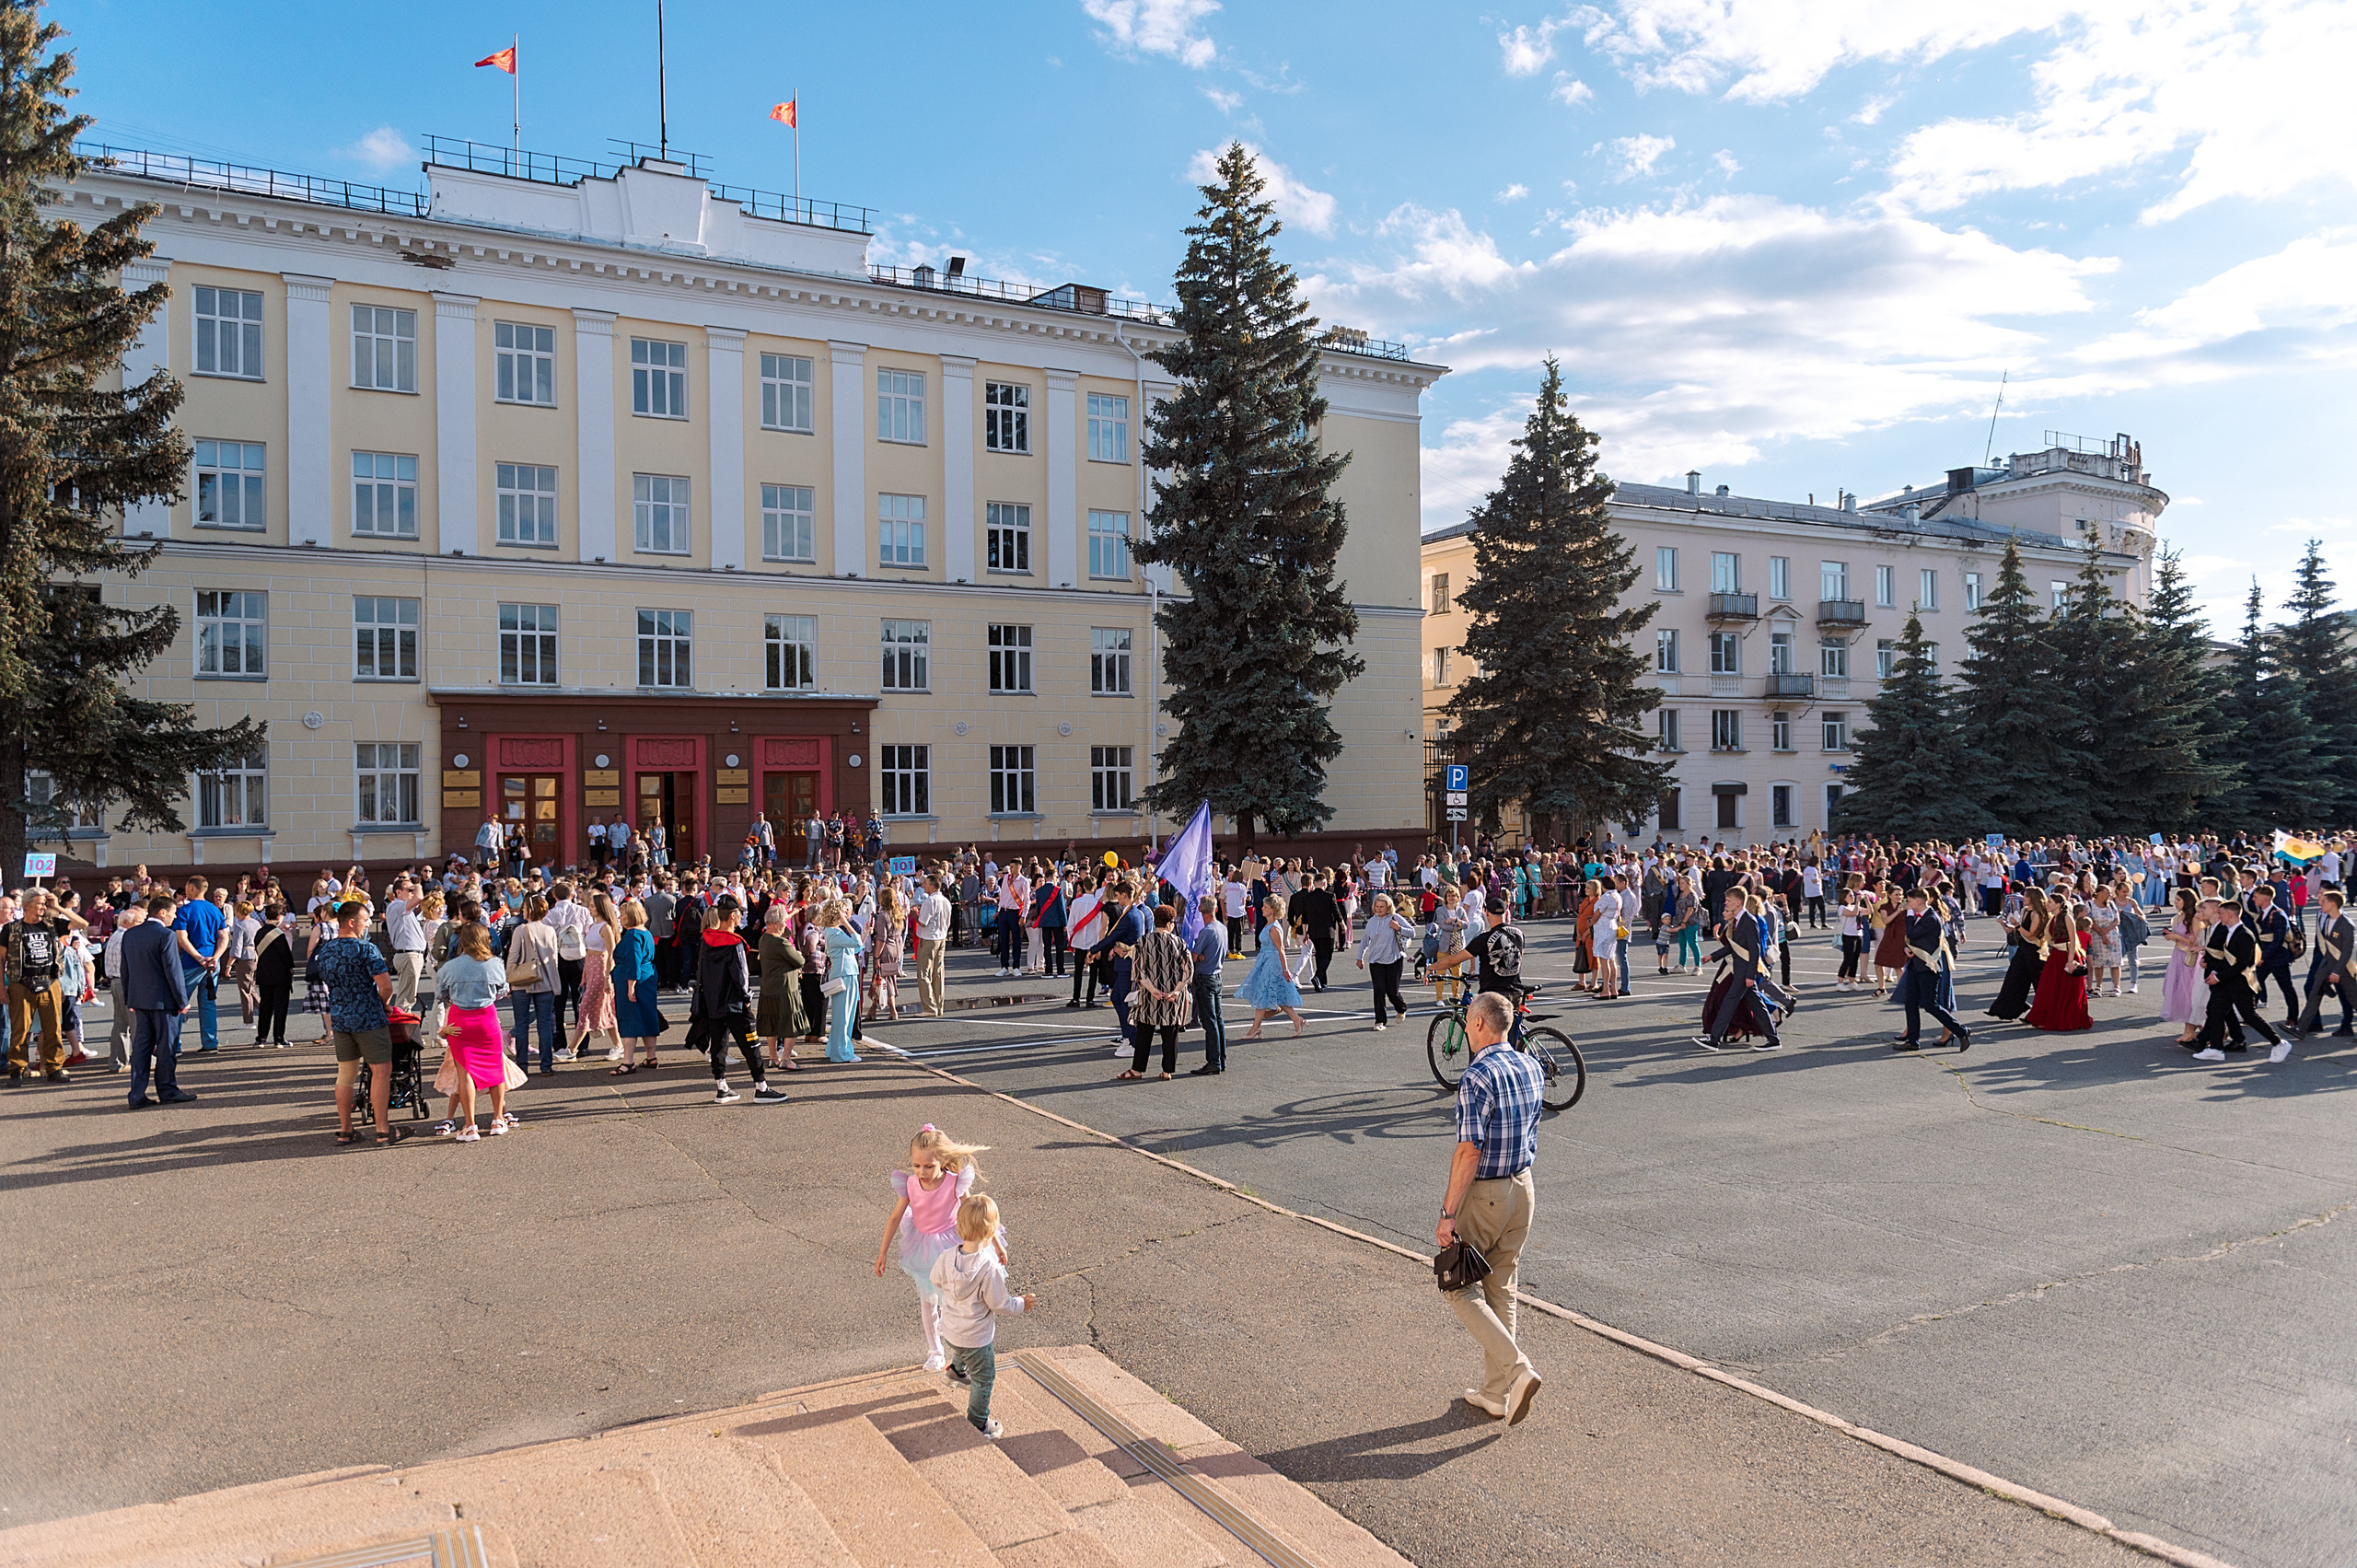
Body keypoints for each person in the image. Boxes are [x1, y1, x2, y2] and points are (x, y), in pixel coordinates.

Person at [1436, 989, 1543, 1424]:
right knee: (1502, 1286)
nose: (1465, 1028)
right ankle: (1497, 1394)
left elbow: (1469, 1150)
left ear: (1480, 1023)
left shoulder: (1477, 1076)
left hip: (1486, 1194)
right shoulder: (1531, 1065)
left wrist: (1448, 1214)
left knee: (1456, 1285)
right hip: (1523, 1188)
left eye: (1467, 1021)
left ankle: (1517, 1371)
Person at [874, 1123, 993, 1369]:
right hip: (923, 1247)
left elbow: (976, 1216)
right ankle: (935, 1351)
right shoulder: (910, 1185)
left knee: (955, 1297)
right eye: (916, 1166)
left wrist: (995, 1245)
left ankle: (959, 1345)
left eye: (929, 1166)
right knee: (927, 1300)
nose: (922, 1172)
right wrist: (882, 1252)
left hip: (953, 1244)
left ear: (943, 1161)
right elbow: (895, 1217)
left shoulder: (954, 1183)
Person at [931, 1192, 1037, 1440]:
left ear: (959, 1227)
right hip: (976, 1339)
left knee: (963, 1347)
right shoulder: (988, 1268)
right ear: (991, 1234)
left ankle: (956, 1371)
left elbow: (935, 1279)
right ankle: (978, 1422)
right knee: (984, 1376)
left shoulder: (946, 1257)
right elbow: (1000, 1304)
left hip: (950, 1330)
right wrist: (1022, 1303)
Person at [314, 900, 402, 1146]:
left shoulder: (326, 950)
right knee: (381, 1071)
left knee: (345, 1075)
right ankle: (383, 1130)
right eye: (365, 920)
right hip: (368, 1017)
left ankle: (346, 1129)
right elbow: (386, 985)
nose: (367, 925)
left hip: (340, 1017)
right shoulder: (366, 949)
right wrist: (383, 1003)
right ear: (352, 922)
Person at [687, 894, 785, 1104]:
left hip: (713, 1002)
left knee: (718, 1044)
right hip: (735, 1002)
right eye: (739, 913)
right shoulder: (735, 942)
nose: (741, 916)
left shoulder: (706, 939)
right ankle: (761, 1087)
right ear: (732, 916)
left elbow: (701, 971)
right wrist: (746, 996)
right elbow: (741, 975)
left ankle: (721, 1086)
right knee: (751, 1045)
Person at [434, 922, 513, 1142]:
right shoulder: (495, 963)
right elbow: (502, 990)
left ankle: (470, 1126)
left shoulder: (449, 967)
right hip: (486, 1018)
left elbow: (441, 995)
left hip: (460, 1020)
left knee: (464, 1073)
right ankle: (498, 1119)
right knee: (495, 1068)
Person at [120, 893, 197, 1109]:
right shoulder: (166, 935)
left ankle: (136, 1094)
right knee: (166, 1047)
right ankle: (167, 1089)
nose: (175, 917)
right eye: (173, 913)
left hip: (140, 999)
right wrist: (182, 1000)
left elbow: (125, 969)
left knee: (141, 1047)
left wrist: (129, 997)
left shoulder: (130, 934)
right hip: (163, 1001)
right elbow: (173, 970)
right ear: (162, 912)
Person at [7, 889, 87, 1083]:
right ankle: (17, 1069)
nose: (43, 907)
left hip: (49, 982)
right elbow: (2, 958)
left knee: (52, 1028)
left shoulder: (53, 924)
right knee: (20, 1030)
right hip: (21, 983)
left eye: (45, 904)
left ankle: (54, 1068)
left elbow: (82, 924)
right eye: (40, 903)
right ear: (26, 905)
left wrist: (58, 907)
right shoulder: (12, 928)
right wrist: (2, 988)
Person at [2193, 899, 2279, 1061]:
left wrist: (2218, 976)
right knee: (2216, 1012)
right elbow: (2226, 958)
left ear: (2230, 914)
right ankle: (2216, 1049)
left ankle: (2278, 1043)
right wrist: (2215, 971)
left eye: (2221, 913)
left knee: (2249, 1016)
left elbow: (2241, 964)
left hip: (2241, 983)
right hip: (2228, 982)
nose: (2219, 916)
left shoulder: (2244, 934)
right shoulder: (2231, 931)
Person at [1695, 890, 1781, 1052]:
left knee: (1728, 1003)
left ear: (1738, 902)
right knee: (1758, 1006)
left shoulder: (1749, 920)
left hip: (1744, 972)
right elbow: (1732, 947)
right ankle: (1773, 1039)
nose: (1726, 903)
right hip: (1741, 971)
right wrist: (1712, 956)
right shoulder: (1738, 920)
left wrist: (1750, 975)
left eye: (1729, 900)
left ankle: (1714, 1040)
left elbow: (1755, 950)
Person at [1118, 903, 1193, 1082]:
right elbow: (1188, 972)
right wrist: (1176, 991)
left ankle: (1137, 1069)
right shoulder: (1179, 943)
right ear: (1169, 924)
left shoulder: (1143, 942)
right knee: (1170, 1033)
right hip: (1171, 996)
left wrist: (1152, 990)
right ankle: (1167, 1071)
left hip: (1149, 996)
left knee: (1144, 1032)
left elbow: (1138, 972)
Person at [1891, 888, 1971, 1052]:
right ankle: (1912, 1041)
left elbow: (1912, 933)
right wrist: (1906, 949)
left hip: (1929, 968)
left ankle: (1961, 1031)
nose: (1907, 904)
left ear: (1918, 902)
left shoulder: (1931, 918)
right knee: (1910, 1003)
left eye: (1909, 901)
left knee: (1930, 1004)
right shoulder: (1921, 916)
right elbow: (1914, 940)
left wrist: (1909, 915)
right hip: (1916, 965)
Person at [1234, 894, 1306, 1039]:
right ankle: (1296, 1020)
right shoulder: (1269, 925)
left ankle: (1255, 1029)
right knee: (1277, 994)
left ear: (1272, 910)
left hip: (1272, 963)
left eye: (1265, 906)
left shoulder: (1274, 928)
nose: (1262, 908)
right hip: (1266, 961)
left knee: (1262, 994)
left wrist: (1285, 969)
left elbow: (1280, 949)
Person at [505, 895, 562, 1077]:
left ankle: (522, 1065)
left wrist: (509, 980)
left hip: (522, 981)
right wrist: (555, 984)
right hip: (545, 981)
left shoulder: (521, 930)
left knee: (521, 1024)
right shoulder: (550, 930)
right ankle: (546, 1065)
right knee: (544, 1024)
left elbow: (513, 957)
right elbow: (554, 959)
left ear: (529, 910)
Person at [2293, 887, 2356, 1048]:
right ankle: (2301, 1028)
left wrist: (2336, 972)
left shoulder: (2346, 924)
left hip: (2343, 968)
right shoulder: (2327, 920)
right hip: (2326, 965)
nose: (2320, 903)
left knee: (2354, 998)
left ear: (2333, 904)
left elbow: (2347, 951)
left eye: (2324, 901)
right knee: (2314, 994)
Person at [170, 876, 225, 1054]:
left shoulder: (184, 911)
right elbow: (224, 937)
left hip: (190, 963)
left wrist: (198, 957)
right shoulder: (215, 910)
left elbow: (181, 938)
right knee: (208, 1003)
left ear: (192, 888)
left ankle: (175, 1045)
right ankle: (210, 1043)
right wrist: (215, 957)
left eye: (187, 887)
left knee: (179, 1003)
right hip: (212, 963)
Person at [610, 899, 666, 1073]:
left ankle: (628, 1062)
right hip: (648, 976)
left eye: (622, 915)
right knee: (648, 1017)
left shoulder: (632, 935)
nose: (620, 918)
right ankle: (651, 1057)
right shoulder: (645, 932)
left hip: (633, 979)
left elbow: (633, 962)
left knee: (630, 1019)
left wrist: (630, 987)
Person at [754, 903, 809, 1071]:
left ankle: (773, 1057)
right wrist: (797, 954)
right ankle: (786, 1058)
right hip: (785, 989)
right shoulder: (780, 942)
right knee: (791, 1024)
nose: (786, 925)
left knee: (772, 1023)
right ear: (775, 923)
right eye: (784, 922)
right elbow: (800, 961)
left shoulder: (763, 939)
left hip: (768, 987)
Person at [1355, 892, 1417, 1031]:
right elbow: (1365, 941)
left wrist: (1398, 928)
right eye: (1377, 906)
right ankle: (1380, 1021)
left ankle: (1401, 1008)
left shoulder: (1395, 918)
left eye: (1382, 907)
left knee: (1392, 992)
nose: (1379, 909)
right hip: (1376, 961)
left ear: (1388, 907)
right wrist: (1360, 957)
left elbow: (1412, 932)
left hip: (1394, 959)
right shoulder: (1372, 922)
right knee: (1379, 991)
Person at [2027, 902, 2093, 1033]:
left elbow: (2073, 940)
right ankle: (2044, 1018)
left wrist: (2070, 961)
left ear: (2058, 904)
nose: (2047, 904)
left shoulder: (2067, 917)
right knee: (2049, 987)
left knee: (2067, 990)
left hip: (2067, 955)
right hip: (2056, 955)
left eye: (2050, 902)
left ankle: (2066, 1020)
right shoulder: (2052, 918)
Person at [1186, 892, 1229, 1076]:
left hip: (1205, 977)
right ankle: (1220, 1059)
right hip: (1217, 975)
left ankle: (1213, 1061)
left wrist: (1197, 955)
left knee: (1210, 1022)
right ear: (1215, 909)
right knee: (1217, 1020)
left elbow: (1194, 956)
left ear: (1200, 910)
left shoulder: (1207, 931)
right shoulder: (1222, 928)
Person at [819, 899, 865, 1063]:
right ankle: (842, 1052)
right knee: (843, 1016)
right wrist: (846, 923)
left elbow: (857, 947)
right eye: (844, 912)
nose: (846, 914)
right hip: (844, 975)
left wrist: (864, 932)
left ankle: (835, 1049)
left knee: (845, 1014)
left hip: (847, 973)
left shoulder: (835, 931)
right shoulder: (834, 932)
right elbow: (856, 943)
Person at [2160, 889, 2206, 1046]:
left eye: (2178, 899)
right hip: (2178, 956)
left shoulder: (2194, 918)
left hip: (2189, 959)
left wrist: (2176, 936)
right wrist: (2171, 935)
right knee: (2173, 989)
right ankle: (2201, 1028)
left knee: (2188, 994)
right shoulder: (2179, 917)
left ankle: (2191, 1030)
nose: (2175, 902)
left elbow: (2197, 943)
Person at [251, 903, 296, 1048]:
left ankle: (261, 1038)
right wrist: (291, 969)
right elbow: (286, 955)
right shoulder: (278, 934)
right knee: (280, 1007)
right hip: (280, 975)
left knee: (265, 1006)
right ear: (279, 917)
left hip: (264, 973)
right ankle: (279, 1038)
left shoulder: (259, 932)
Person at [913, 872, 952, 1018]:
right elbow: (948, 922)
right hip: (941, 937)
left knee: (924, 974)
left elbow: (923, 922)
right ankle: (938, 1005)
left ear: (932, 887)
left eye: (926, 884)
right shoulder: (946, 901)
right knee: (938, 973)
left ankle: (929, 1007)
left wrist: (914, 915)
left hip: (929, 938)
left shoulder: (929, 901)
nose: (924, 886)